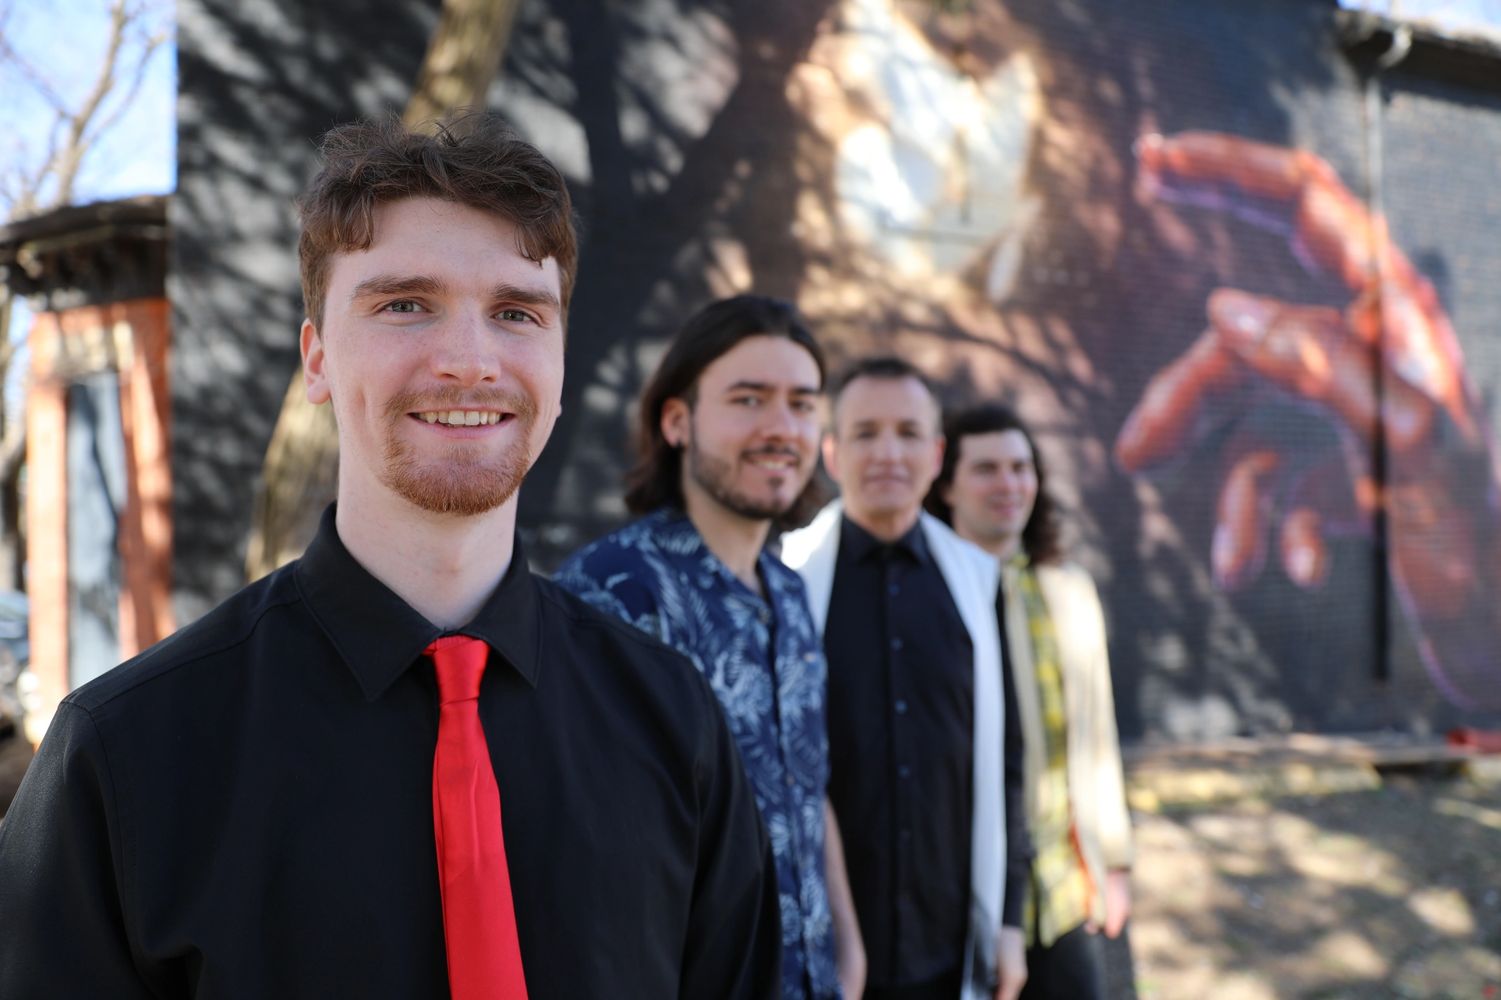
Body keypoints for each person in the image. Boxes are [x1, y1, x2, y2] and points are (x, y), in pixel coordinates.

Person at [0, 113, 780, 999]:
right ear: (318, 359)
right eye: (405, 303)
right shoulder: (123, 755)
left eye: (517, 312)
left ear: (561, 365)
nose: (468, 360)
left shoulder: (675, 724)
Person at [554, 294, 865, 1000]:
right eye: (748, 400)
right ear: (677, 421)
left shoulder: (788, 590)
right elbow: (595, 855)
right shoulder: (616, 594)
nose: (781, 428)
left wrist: (848, 953)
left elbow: (806, 785)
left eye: (801, 403)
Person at [781, 356, 1030, 1000]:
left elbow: (1007, 760)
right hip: (823, 949)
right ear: (832, 453)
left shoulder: (979, 579)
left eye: (908, 432)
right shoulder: (784, 578)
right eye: (865, 433)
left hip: (950, 946)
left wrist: (1007, 920)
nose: (887, 452)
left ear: (937, 452)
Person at [927, 403, 1134, 1000]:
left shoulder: (1068, 591)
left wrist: (1114, 861)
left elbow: (1098, 739)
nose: (1008, 484)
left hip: (1063, 885)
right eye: (986, 469)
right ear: (947, 486)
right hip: (967, 892)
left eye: (1021, 467)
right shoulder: (929, 597)